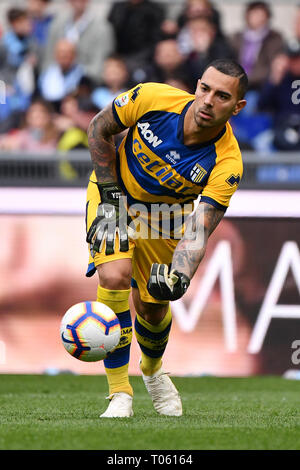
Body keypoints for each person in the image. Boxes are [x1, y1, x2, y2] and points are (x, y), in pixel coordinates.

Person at [85, 58, 247, 417]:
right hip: (115, 195)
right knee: (114, 275)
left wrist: (181, 276)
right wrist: (111, 196)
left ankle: (153, 370)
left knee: (153, 307)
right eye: (204, 88)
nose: (207, 101)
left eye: (222, 96)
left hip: (165, 219)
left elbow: (200, 227)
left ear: (238, 107)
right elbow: (98, 129)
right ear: (197, 85)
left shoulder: (228, 162)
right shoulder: (152, 98)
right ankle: (120, 393)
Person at [42, 0, 115, 83]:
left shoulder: (102, 28)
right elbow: (48, 59)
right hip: (56, 81)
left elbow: (100, 66)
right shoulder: (56, 24)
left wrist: (76, 75)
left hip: (87, 84)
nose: (77, 1)